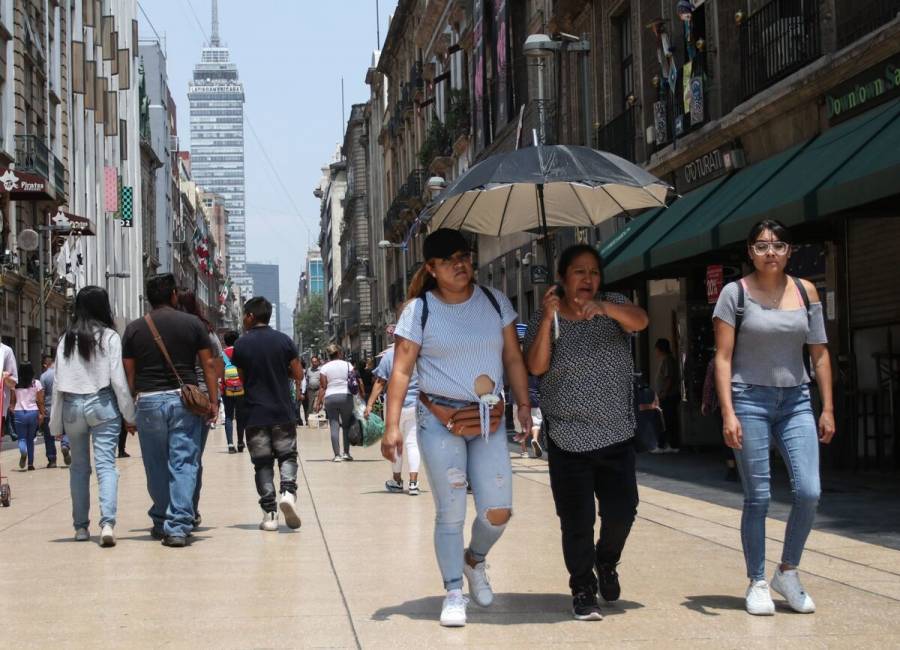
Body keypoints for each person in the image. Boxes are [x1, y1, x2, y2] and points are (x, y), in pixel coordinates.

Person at [381, 228, 531, 628]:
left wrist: (524, 404)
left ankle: (474, 560)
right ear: (431, 269)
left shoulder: (495, 302)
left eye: (463, 256)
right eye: (448, 261)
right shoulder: (420, 310)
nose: (459, 265)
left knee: (498, 511)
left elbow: (513, 358)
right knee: (450, 513)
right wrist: (392, 426)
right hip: (439, 422)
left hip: (489, 421)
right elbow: (401, 370)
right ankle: (452, 592)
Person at [713, 219, 834, 616]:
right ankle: (758, 581)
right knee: (759, 497)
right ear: (750, 251)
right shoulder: (735, 293)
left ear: (789, 251)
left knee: (809, 491)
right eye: (762, 245)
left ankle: (787, 571)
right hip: (749, 399)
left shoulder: (806, 291)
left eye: (778, 245)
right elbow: (723, 358)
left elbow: (819, 354)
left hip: (796, 400)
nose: (771, 252)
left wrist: (827, 407)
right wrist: (728, 412)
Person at [525, 244, 649, 621]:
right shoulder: (545, 314)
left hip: (616, 432)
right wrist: (548, 318)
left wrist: (605, 308)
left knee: (622, 511)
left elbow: (641, 321)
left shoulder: (613, 304)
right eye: (579, 271)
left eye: (593, 271)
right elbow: (536, 366)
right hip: (568, 436)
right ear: (563, 277)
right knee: (576, 520)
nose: (587, 278)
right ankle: (582, 587)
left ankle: (606, 560)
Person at [122, 273, 219, 548]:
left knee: (155, 465)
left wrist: (129, 409)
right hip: (183, 400)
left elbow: (129, 374)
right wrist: (213, 401)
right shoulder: (193, 324)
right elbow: (208, 365)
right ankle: (177, 526)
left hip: (148, 401)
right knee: (184, 462)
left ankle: (162, 519)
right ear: (174, 294)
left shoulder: (134, 328)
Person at [50, 286, 135, 545]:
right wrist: (129, 415)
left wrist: (55, 424)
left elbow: (58, 383)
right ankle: (107, 524)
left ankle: (80, 528)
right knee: (106, 466)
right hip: (102, 404)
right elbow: (118, 381)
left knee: (78, 468)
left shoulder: (66, 339)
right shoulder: (109, 337)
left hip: (72, 406)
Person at [231, 296, 303, 531]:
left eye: (245, 315)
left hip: (254, 414)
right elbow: (299, 374)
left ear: (251, 316)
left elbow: (241, 378)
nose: (243, 319)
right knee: (287, 456)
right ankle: (288, 493)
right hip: (282, 411)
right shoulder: (284, 340)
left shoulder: (241, 344)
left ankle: (270, 515)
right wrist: (282, 373)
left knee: (262, 464)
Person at [176, 288, 225, 526]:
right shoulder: (207, 331)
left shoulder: (168, 328)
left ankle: (177, 508)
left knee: (174, 457)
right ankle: (191, 509)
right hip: (201, 398)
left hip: (173, 395)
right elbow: (217, 367)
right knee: (194, 456)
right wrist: (214, 400)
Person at [366, 326, 420, 495]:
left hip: (394, 407)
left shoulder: (389, 356)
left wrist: (369, 404)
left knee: (396, 443)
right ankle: (413, 483)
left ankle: (397, 481)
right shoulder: (419, 355)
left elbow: (380, 382)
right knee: (413, 443)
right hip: (416, 405)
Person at [315, 344, 365, 462]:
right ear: (338, 353)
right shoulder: (348, 365)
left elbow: (323, 386)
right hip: (346, 396)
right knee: (346, 426)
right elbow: (355, 380)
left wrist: (318, 402)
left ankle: (337, 455)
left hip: (330, 397)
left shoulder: (324, 367)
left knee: (334, 425)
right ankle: (346, 453)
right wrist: (361, 395)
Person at [11, 361, 45, 471]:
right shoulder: (36, 383)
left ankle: (23, 451)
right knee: (30, 439)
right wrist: (42, 413)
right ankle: (30, 464)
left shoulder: (15, 384)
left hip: (19, 413)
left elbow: (12, 401)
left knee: (21, 438)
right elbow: (40, 401)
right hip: (33, 412)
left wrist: (13, 410)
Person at [40, 355, 71, 467]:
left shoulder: (44, 376)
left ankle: (52, 460)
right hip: (63, 406)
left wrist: (41, 411)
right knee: (66, 430)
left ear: (45, 365)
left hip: (49, 408)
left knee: (49, 435)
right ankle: (65, 444)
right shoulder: (63, 374)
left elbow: (41, 395)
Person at [652, 338, 680, 453]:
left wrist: (664, 392)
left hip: (668, 396)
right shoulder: (667, 359)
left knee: (666, 420)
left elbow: (669, 378)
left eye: (656, 349)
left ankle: (665, 445)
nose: (655, 351)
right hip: (668, 395)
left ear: (660, 349)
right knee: (667, 420)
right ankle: (669, 444)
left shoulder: (667, 360)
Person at [222, 330, 247, 452]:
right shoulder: (242, 352)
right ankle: (240, 442)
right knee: (240, 416)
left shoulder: (222, 354)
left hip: (227, 389)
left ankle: (230, 445)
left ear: (225, 341)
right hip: (241, 388)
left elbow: (219, 373)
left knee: (228, 416)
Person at [304, 356, 322, 422]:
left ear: (318, 362)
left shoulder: (321, 370)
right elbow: (307, 380)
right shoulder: (309, 370)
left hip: (318, 390)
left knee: (316, 406)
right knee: (310, 407)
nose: (314, 363)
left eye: (315, 361)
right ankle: (308, 420)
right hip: (310, 391)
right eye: (313, 362)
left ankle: (315, 420)